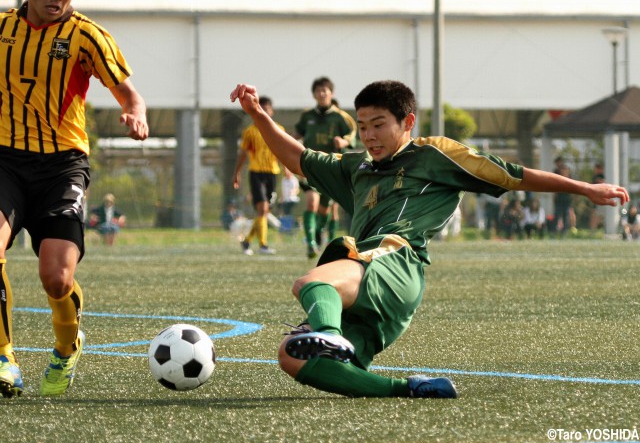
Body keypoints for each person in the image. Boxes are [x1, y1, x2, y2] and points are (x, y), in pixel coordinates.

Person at [229, 81, 629, 399]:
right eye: (363, 125)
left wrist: (585, 188)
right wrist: (260, 116)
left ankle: (330, 337)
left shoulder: (435, 154)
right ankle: (409, 388)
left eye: (379, 124)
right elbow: (297, 159)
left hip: (396, 262)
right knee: (291, 358)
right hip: (374, 281)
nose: (369, 135)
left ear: (408, 122)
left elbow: (513, 174)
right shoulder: (358, 166)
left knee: (311, 283)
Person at [0, 0, 149, 398]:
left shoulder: (87, 36)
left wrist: (135, 113)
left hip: (62, 166)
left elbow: (129, 94)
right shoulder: (3, 29)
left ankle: (67, 347)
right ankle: (4, 355)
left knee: (57, 278)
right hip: (5, 162)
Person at [293, 77, 356, 258]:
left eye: (325, 91)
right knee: (311, 203)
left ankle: (320, 233)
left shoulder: (339, 117)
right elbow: (296, 134)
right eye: (318, 91)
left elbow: (352, 134)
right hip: (309, 166)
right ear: (314, 94)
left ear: (331, 93)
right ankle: (311, 243)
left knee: (325, 210)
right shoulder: (307, 116)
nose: (321, 94)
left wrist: (342, 141)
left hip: (330, 168)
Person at [232, 96, 282, 255]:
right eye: (261, 108)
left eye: (267, 108)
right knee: (263, 209)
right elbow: (242, 154)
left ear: (271, 111)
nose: (264, 112)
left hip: (272, 173)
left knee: (264, 212)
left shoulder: (278, 130)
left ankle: (247, 241)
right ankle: (263, 245)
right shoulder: (250, 132)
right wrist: (237, 173)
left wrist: (289, 168)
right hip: (256, 173)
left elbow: (283, 152)